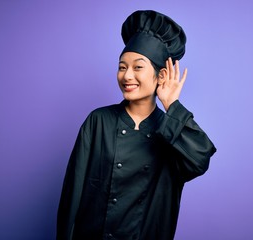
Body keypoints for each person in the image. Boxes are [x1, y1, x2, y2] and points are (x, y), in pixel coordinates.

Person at [57, 10, 216, 240]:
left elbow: (200, 159)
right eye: (122, 67)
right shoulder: (98, 121)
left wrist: (172, 105)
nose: (127, 76)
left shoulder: (171, 130)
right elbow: (72, 195)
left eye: (138, 67)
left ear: (161, 76)